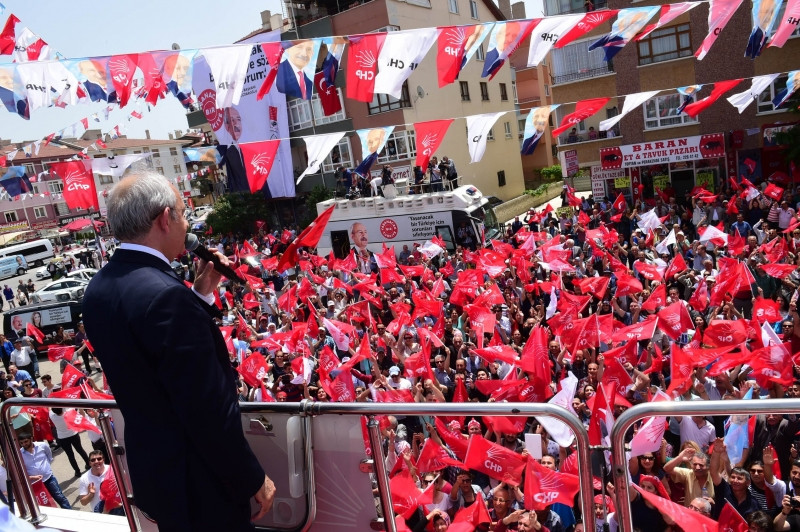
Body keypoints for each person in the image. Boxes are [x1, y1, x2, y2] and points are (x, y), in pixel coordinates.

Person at [82, 171, 275, 530]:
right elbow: (205, 407)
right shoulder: (165, 295)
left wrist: (199, 293)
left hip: (157, 474)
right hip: (199, 485)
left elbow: (153, 361)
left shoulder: (98, 288)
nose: (188, 225)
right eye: (184, 214)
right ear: (164, 218)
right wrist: (252, 477)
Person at [19, 432, 71, 509]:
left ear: (31, 439)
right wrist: (33, 477)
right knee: (44, 504)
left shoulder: (42, 445)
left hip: (49, 478)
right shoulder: (20, 453)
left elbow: (49, 456)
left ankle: (69, 513)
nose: (24, 444)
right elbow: (21, 469)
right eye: (21, 443)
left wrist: (46, 469)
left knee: (60, 497)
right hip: (36, 483)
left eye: (26, 441)